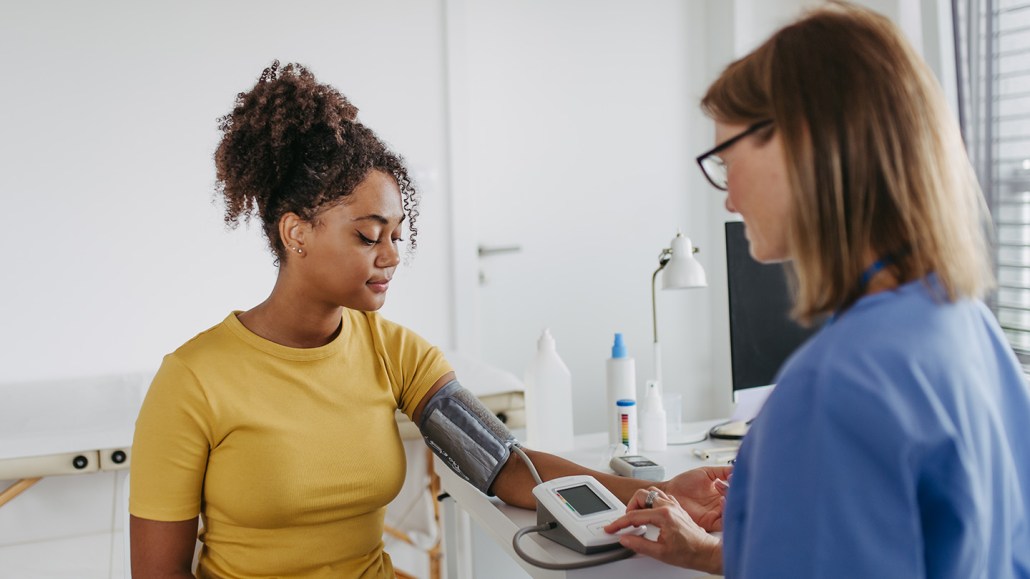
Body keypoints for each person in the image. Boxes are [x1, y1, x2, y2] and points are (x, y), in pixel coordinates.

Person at [128, 60, 730, 578]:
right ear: (296, 232)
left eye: (396, 235)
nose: (390, 256)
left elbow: (502, 466)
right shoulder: (193, 380)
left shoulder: (394, 352)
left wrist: (660, 492)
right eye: (368, 236)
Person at [605, 3, 1030, 577]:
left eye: (726, 161)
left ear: (803, 142)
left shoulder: (833, 390)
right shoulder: (963, 321)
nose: (728, 198)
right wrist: (718, 553)